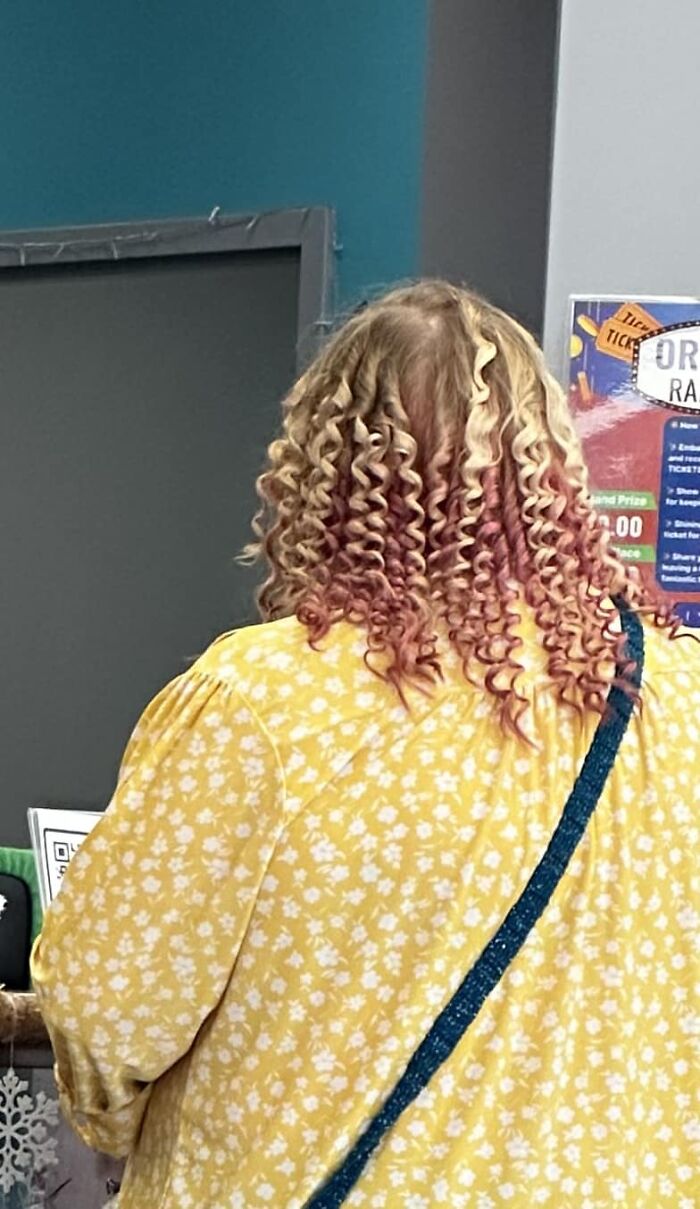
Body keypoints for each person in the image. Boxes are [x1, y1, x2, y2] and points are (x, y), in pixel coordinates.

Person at [31, 282, 698, 1208]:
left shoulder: (265, 705)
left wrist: (114, 1129)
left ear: (320, 469)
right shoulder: (679, 699)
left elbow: (107, 1004)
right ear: (549, 468)